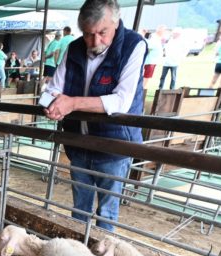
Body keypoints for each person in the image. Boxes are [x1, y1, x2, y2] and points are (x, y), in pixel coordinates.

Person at [43, 0, 146, 232]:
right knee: (80, 208)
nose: (95, 41)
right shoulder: (75, 48)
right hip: (78, 142)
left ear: (116, 22)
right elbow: (54, 87)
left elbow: (122, 101)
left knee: (107, 211)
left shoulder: (133, 46)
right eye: (89, 34)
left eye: (102, 32)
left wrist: (72, 103)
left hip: (114, 145)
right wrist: (52, 104)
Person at [142, 25, 164, 90]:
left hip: (152, 61)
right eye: (163, 30)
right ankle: (142, 90)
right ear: (159, 30)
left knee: (147, 77)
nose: (164, 32)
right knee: (146, 77)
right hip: (149, 61)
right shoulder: (154, 37)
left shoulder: (158, 37)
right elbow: (148, 48)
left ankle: (142, 89)